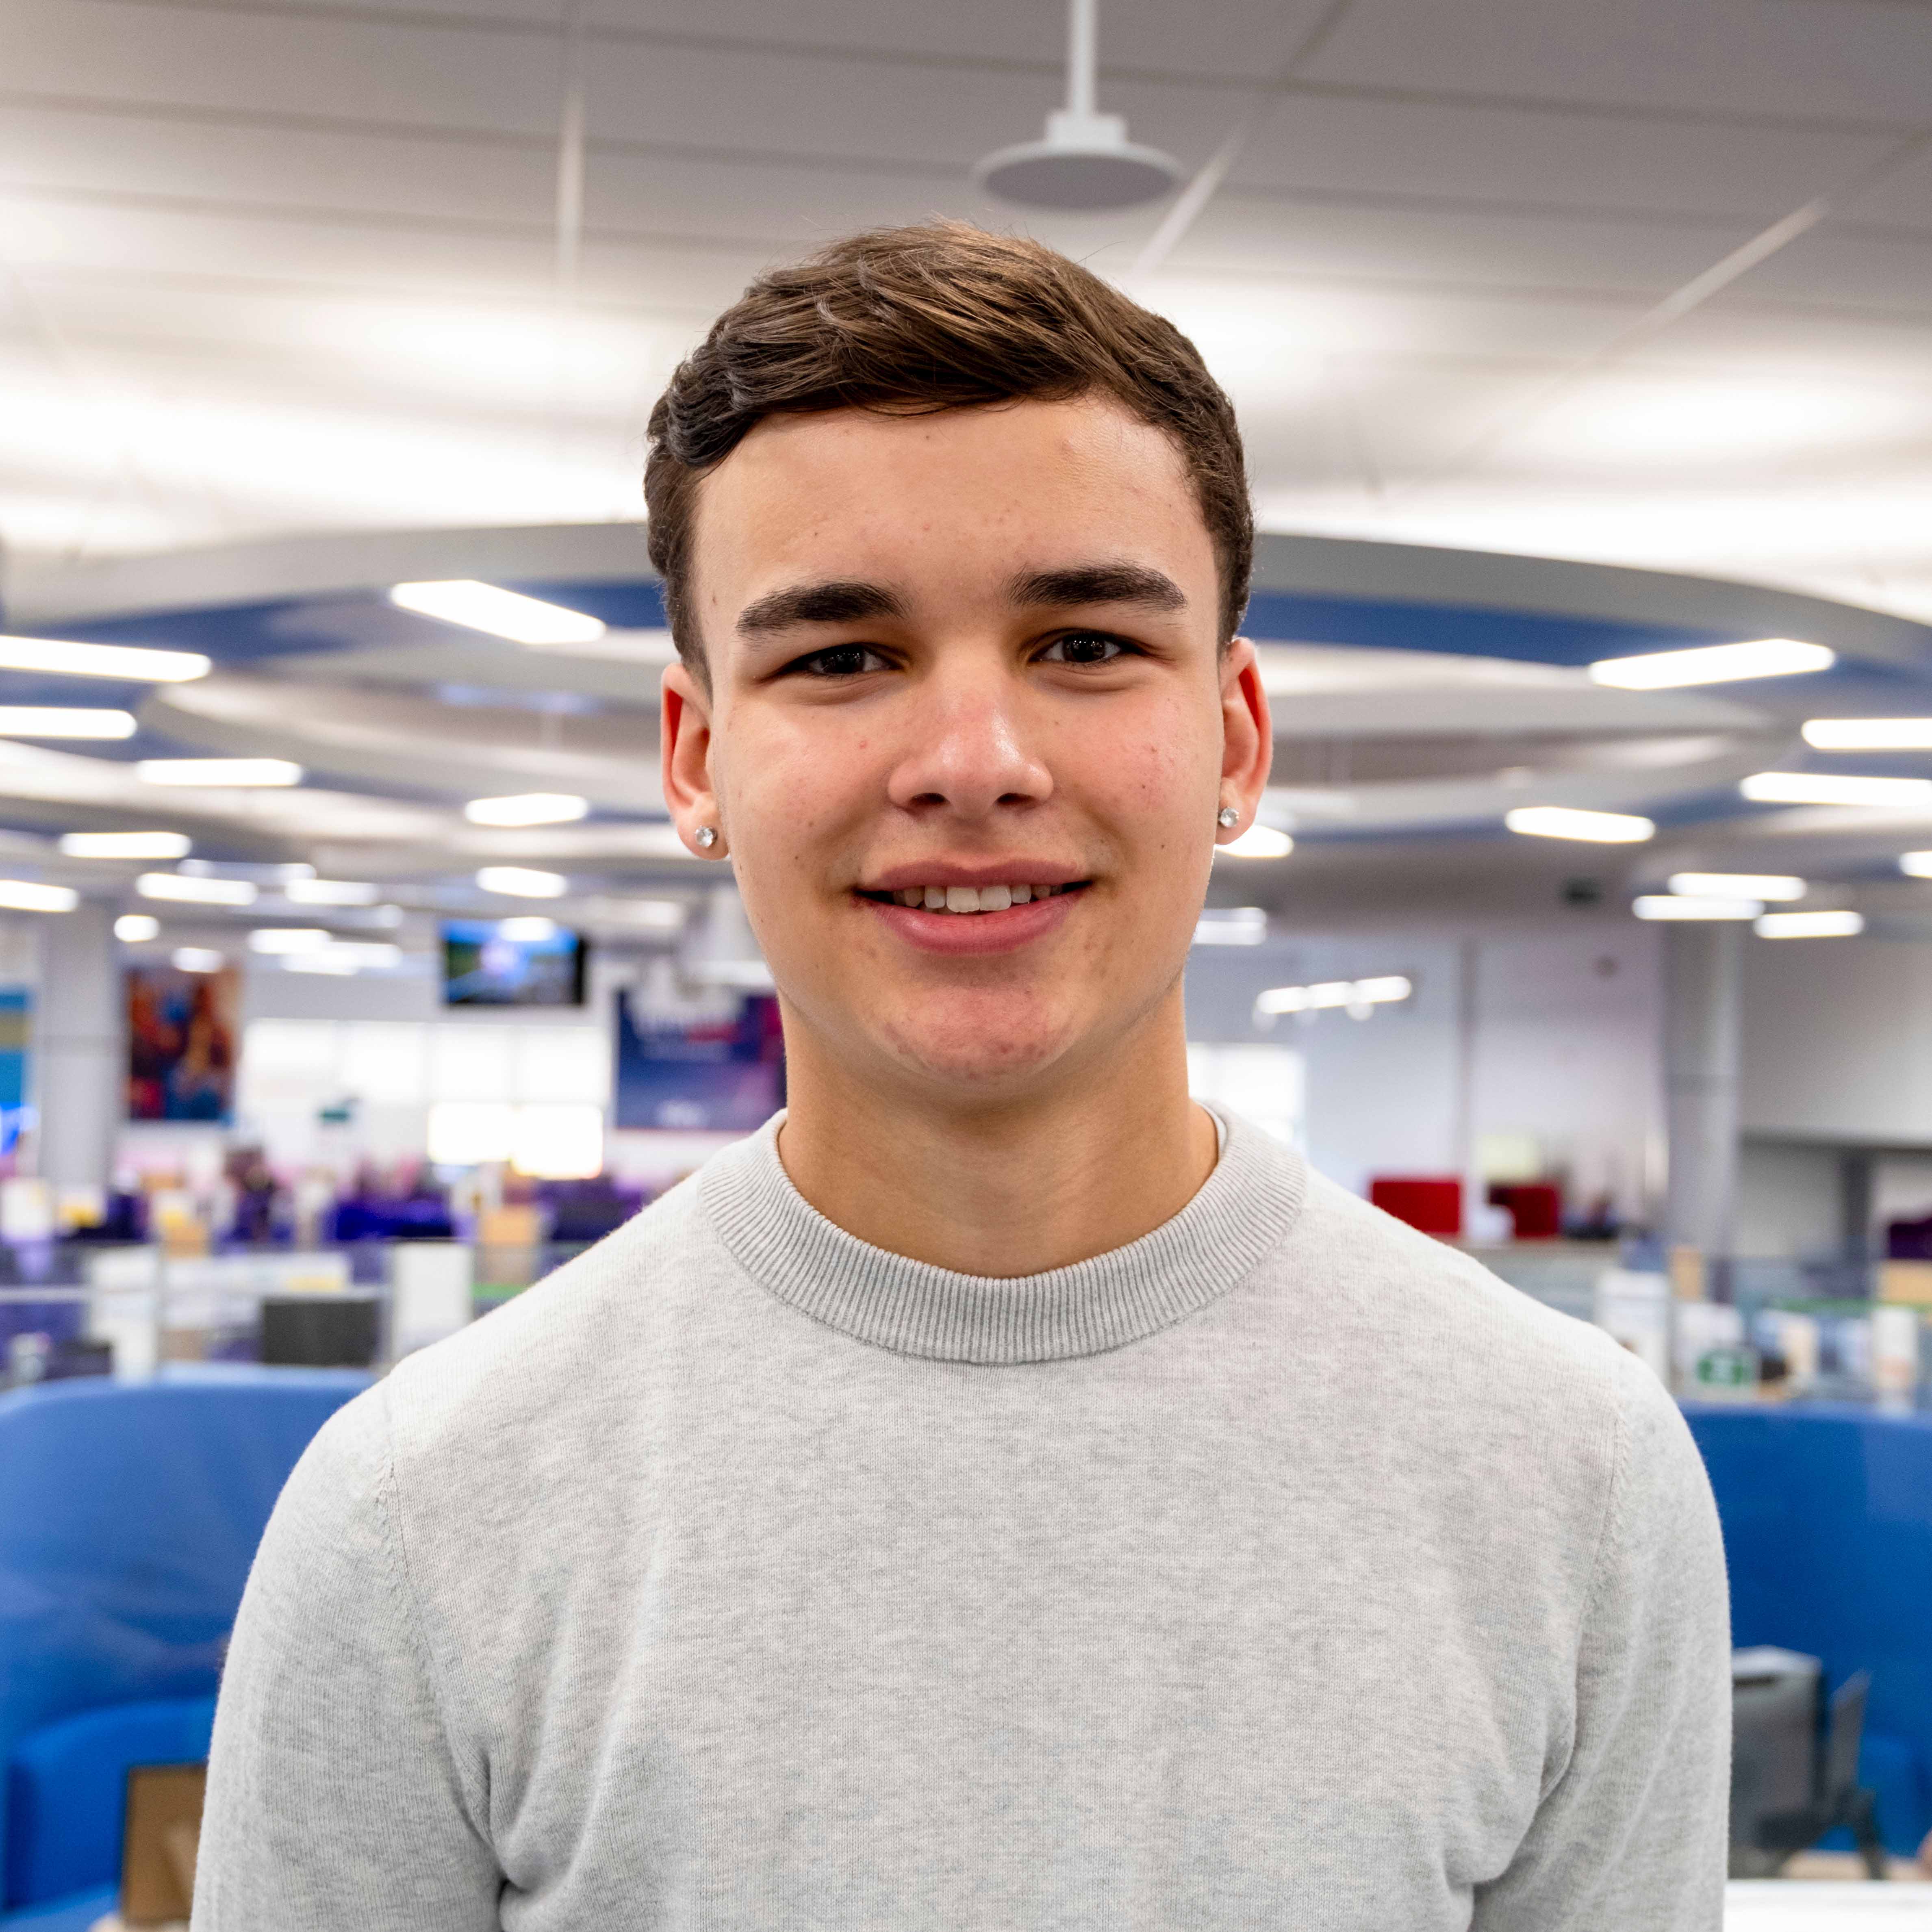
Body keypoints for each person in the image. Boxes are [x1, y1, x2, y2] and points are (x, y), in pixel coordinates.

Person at [194, 223, 1732, 1930]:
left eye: (1082, 643)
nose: (974, 765)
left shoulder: (1571, 1472)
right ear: (698, 757)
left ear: (1232, 740)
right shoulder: (420, 1513)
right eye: (841, 656)